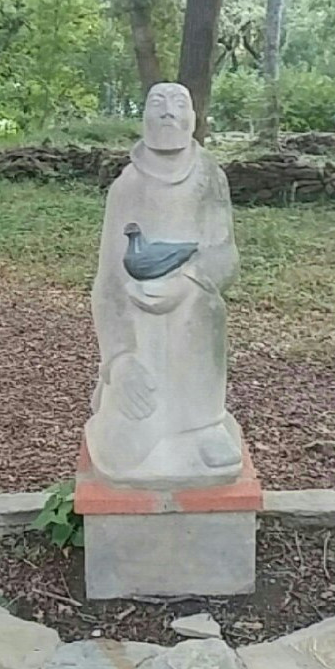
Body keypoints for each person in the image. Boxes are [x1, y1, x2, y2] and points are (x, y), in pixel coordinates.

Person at [86, 82, 244, 488]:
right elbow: (107, 282)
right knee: (121, 455)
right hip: (140, 334)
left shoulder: (210, 177)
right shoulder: (127, 186)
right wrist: (119, 361)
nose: (169, 112)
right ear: (143, 118)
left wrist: (188, 280)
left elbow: (225, 255)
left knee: (204, 307)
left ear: (193, 118)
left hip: (191, 312)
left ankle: (203, 424)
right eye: (157, 103)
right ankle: (125, 404)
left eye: (179, 104)